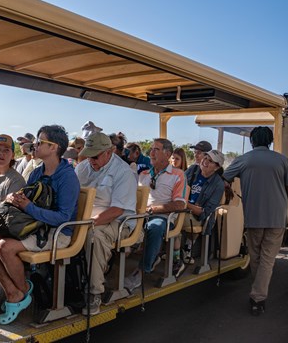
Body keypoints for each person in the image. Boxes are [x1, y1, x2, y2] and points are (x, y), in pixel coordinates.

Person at [0, 125, 79, 325]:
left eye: (40, 142)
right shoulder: (37, 172)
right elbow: (27, 198)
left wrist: (28, 207)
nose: (34, 145)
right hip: (37, 226)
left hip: (57, 233)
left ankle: (23, 292)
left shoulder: (67, 177)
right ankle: (13, 292)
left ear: (53, 148)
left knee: (5, 246)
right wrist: (14, 199)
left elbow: (63, 217)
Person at [223, 126, 288, 317]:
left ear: (252, 141)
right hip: (277, 217)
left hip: (254, 216)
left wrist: (231, 188)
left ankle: (257, 294)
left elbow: (224, 177)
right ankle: (258, 298)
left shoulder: (244, 159)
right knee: (268, 259)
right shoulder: (282, 160)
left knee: (255, 257)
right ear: (270, 141)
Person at [75, 132, 137, 315]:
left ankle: (94, 293)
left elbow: (117, 210)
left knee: (94, 237)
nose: (90, 160)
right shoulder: (82, 168)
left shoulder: (123, 172)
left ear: (109, 152)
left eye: (95, 156)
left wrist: (87, 223)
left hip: (118, 220)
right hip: (86, 217)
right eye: (88, 155)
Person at [124, 138, 186, 291]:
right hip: (141, 214)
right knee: (119, 224)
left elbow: (180, 204)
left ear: (167, 154)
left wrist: (153, 209)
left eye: (156, 150)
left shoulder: (178, 175)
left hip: (163, 216)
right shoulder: (144, 174)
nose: (151, 153)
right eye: (151, 149)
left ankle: (142, 270)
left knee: (155, 227)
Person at [180, 150, 225, 270]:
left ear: (216, 167)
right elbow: (177, 185)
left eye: (211, 161)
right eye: (206, 158)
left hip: (196, 217)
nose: (205, 161)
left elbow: (205, 212)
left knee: (173, 220)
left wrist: (186, 204)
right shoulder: (192, 170)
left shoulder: (218, 185)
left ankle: (175, 257)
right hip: (181, 208)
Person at [0, 134, 25, 212]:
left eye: (6, 150)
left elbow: (9, 211)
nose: (1, 153)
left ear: (13, 155)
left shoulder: (16, 180)